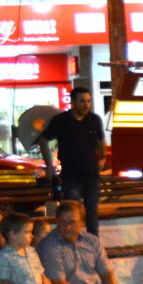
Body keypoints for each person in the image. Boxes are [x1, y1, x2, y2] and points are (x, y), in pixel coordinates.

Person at [38, 86, 106, 237]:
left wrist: (102, 158)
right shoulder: (61, 120)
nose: (86, 105)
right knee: (73, 212)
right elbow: (43, 140)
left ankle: (93, 243)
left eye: (88, 101)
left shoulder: (94, 120)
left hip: (91, 174)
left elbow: (101, 141)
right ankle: (72, 241)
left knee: (92, 212)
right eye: (82, 101)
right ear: (73, 103)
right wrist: (49, 165)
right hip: (71, 175)